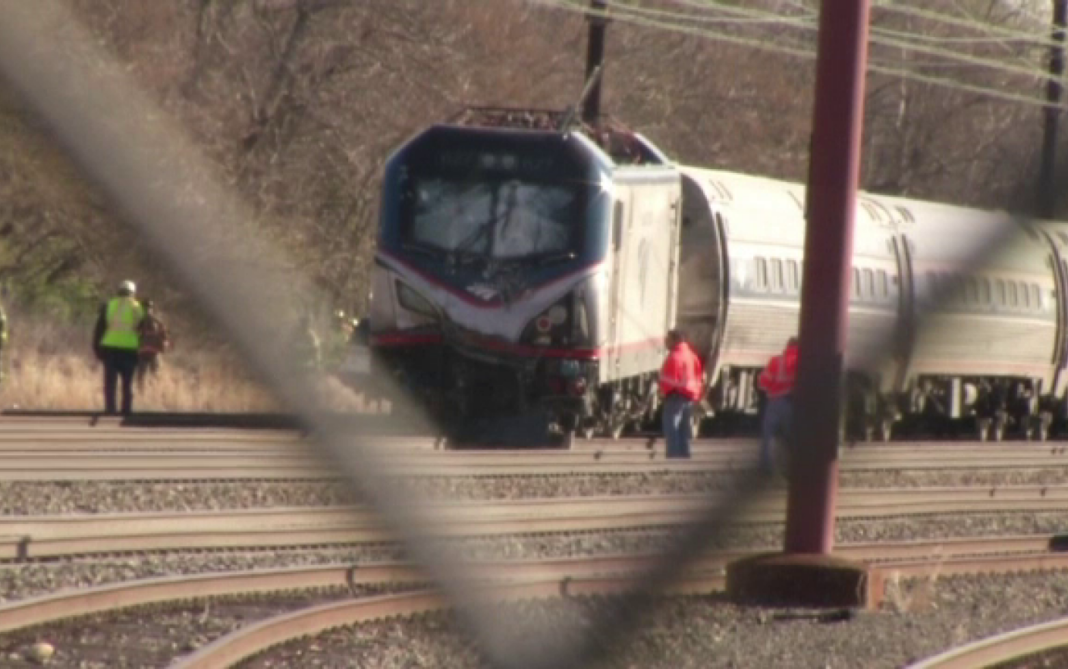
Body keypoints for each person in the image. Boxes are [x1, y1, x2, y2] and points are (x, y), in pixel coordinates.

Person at [93, 280, 145, 415]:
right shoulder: (138, 307)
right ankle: (126, 410)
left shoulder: (110, 305)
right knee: (127, 383)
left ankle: (110, 410)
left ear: (119, 291)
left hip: (110, 348)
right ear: (133, 293)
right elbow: (144, 330)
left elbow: (99, 329)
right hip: (130, 349)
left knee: (110, 383)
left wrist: (97, 349)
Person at [658, 329, 704, 459]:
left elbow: (669, 379)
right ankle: (685, 456)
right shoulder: (692, 356)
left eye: (668, 339)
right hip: (689, 397)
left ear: (675, 340)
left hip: (675, 396)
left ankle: (674, 457)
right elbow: (698, 376)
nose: (665, 342)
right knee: (684, 430)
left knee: (672, 429)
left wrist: (662, 390)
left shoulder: (674, 357)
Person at [758, 336, 800, 475]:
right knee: (791, 437)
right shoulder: (802, 361)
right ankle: (793, 467)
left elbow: (763, 382)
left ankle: (766, 467)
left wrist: (772, 388)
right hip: (791, 404)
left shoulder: (776, 361)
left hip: (774, 402)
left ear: (787, 346)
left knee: (767, 436)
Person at [136, 299, 171, 392]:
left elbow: (134, 334)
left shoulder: (139, 321)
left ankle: (142, 393)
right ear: (151, 308)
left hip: (142, 352)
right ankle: (154, 394)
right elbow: (165, 339)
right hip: (154, 352)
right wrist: (163, 347)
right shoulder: (158, 321)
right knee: (155, 375)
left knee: (141, 376)